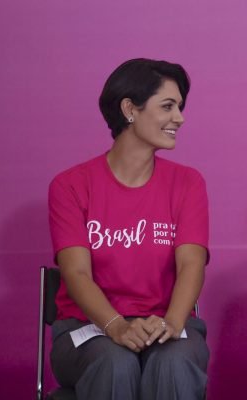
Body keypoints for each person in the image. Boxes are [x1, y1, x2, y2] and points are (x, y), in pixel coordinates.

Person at [48, 58, 209, 400]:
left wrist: (172, 322)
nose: (179, 118)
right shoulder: (70, 186)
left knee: (174, 362)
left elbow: (191, 264)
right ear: (129, 109)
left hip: (165, 323)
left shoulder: (187, 183)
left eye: (180, 107)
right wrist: (116, 326)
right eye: (168, 106)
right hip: (87, 329)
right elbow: (76, 273)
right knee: (114, 361)